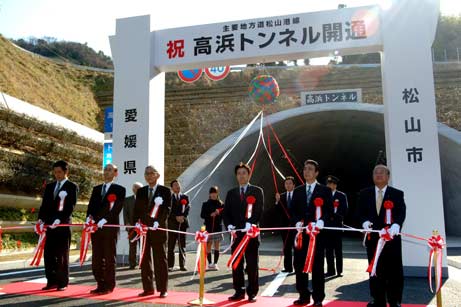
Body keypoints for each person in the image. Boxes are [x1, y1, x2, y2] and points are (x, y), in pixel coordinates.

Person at [359, 165, 406, 307]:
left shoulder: (397, 194)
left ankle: (394, 300)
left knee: (394, 271)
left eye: (382, 173)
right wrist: (364, 222)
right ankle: (377, 299)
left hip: (392, 239)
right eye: (375, 173)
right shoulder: (365, 193)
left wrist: (397, 224)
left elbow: (401, 212)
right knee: (375, 270)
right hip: (373, 240)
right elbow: (359, 212)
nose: (378, 175)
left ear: (388, 176)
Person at [292, 159, 333, 307]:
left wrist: (321, 221)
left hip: (318, 236)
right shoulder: (297, 191)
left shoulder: (325, 191)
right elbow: (294, 211)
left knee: (317, 267)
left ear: (316, 172)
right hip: (301, 235)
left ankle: (318, 298)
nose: (306, 171)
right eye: (305, 169)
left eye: (310, 169)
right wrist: (297, 222)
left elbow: (329, 211)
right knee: (299, 266)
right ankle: (303, 295)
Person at [223, 162, 264, 303]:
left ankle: (252, 292)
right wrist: (228, 225)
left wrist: (251, 223)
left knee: (252, 264)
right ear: (236, 176)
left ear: (249, 174)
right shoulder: (231, 193)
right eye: (239, 173)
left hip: (250, 234)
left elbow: (258, 210)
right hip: (236, 235)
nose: (241, 176)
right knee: (237, 264)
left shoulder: (257, 191)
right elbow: (226, 213)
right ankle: (238, 291)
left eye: (244, 173)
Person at [37, 160, 78, 291]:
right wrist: (41, 220)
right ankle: (51, 281)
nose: (57, 175)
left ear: (66, 172)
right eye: (55, 172)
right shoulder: (50, 187)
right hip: (49, 226)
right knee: (48, 254)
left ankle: (62, 282)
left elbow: (70, 206)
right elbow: (44, 206)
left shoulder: (72, 186)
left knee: (61, 255)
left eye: (59, 172)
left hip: (62, 225)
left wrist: (60, 220)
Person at [86, 163, 126, 295]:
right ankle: (100, 283)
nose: (106, 172)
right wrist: (89, 218)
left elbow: (117, 208)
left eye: (110, 170)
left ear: (115, 173)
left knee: (109, 257)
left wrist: (105, 219)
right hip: (96, 228)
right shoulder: (96, 189)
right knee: (97, 258)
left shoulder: (120, 189)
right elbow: (91, 206)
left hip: (109, 228)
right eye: (105, 170)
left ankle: (109, 285)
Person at [133, 165, 171, 298]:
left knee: (160, 259)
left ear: (157, 175)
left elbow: (166, 209)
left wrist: (158, 222)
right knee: (144, 259)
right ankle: (148, 288)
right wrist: (137, 224)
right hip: (144, 229)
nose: (148, 176)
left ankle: (163, 289)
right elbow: (137, 210)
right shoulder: (141, 191)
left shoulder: (165, 191)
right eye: (146, 173)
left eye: (151, 173)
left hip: (158, 229)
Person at [324, 175, 348, 277]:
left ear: (335, 185)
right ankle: (330, 270)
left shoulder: (341, 195)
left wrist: (335, 216)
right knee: (328, 250)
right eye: (328, 184)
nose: (329, 185)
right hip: (327, 226)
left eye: (331, 184)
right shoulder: (324, 195)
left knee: (338, 250)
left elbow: (345, 209)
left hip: (337, 225)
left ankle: (339, 271)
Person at [275, 176, 297, 273]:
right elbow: (276, 211)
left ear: (294, 185)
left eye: (290, 183)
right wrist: (277, 201)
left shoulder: (298, 195)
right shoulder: (281, 196)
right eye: (286, 183)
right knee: (286, 247)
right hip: (284, 226)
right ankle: (288, 267)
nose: (288, 185)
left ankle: (297, 267)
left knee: (297, 247)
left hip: (296, 226)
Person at [167, 179, 190, 272]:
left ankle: (182, 265)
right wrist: (176, 217)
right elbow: (168, 210)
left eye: (178, 184)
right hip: (172, 224)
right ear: (172, 188)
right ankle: (170, 265)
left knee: (182, 245)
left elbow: (188, 207)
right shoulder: (170, 198)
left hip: (182, 224)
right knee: (171, 246)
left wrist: (183, 216)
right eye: (175, 185)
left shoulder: (185, 197)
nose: (177, 186)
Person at [200, 186, 225, 270]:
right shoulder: (205, 204)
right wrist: (210, 215)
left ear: (217, 194)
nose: (213, 194)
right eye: (212, 193)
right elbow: (202, 215)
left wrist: (219, 213)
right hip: (208, 227)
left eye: (215, 193)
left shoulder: (221, 204)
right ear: (209, 194)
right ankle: (210, 263)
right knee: (209, 245)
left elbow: (225, 215)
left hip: (218, 227)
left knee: (217, 245)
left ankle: (215, 263)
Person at [124, 182, 143, 269]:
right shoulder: (127, 200)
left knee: (142, 246)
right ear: (133, 189)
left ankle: (143, 263)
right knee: (132, 246)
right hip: (131, 227)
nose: (137, 190)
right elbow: (125, 213)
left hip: (142, 228)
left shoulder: (145, 200)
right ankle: (132, 264)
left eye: (139, 188)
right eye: (136, 188)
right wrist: (127, 223)